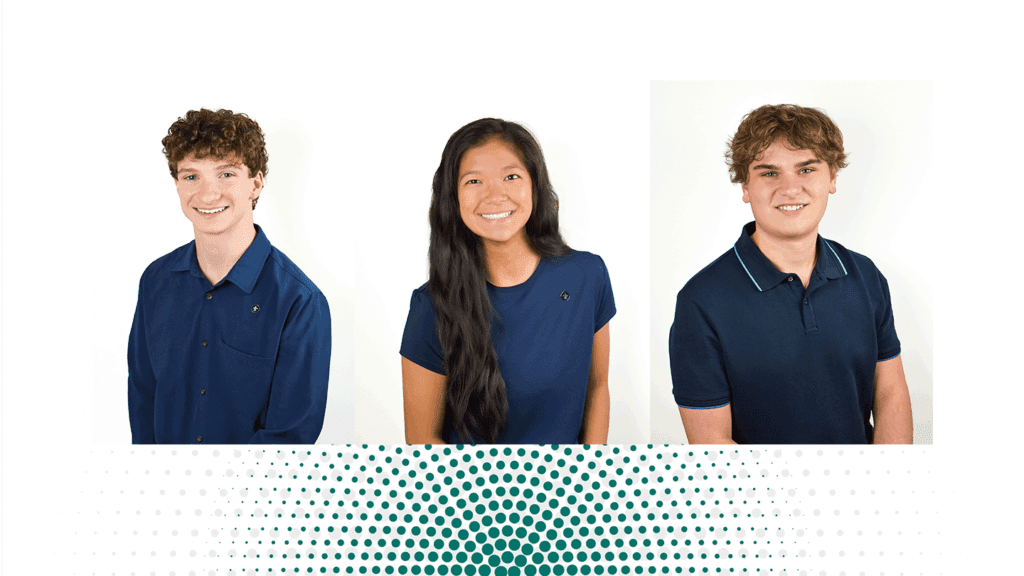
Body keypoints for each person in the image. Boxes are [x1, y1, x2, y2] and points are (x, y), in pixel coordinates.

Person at [669, 104, 912, 444]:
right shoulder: (701, 301)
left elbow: (890, 394)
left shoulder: (865, 276)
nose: (790, 189)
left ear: (832, 178)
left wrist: (885, 474)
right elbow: (711, 445)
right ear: (745, 186)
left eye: (806, 169)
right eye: (769, 173)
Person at [401, 118, 615, 444]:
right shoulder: (430, 306)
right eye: (474, 181)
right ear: (453, 197)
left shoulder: (588, 275)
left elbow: (598, 387)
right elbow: (421, 440)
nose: (495, 195)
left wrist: (589, 469)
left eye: (511, 176)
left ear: (535, 185)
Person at [128, 108, 331, 444]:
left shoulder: (300, 302)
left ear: (256, 183)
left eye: (226, 174)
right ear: (177, 185)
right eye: (191, 177)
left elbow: (289, 440)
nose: (208, 194)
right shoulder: (155, 281)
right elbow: (143, 398)